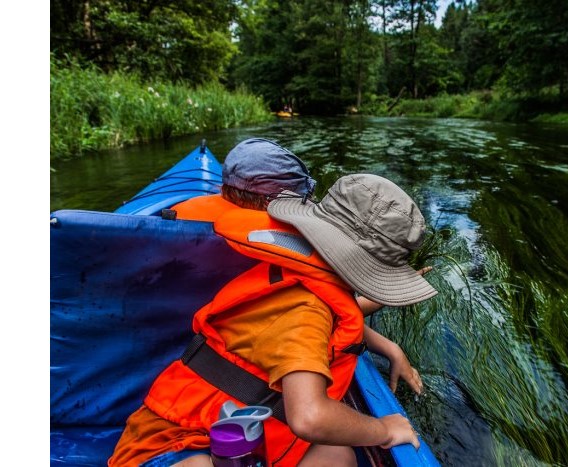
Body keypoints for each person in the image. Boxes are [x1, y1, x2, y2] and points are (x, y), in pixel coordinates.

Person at [108, 139, 437, 466]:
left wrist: (388, 347)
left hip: (240, 430)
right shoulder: (306, 310)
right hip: (176, 441)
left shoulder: (300, 277)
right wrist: (383, 429)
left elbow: (326, 324)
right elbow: (309, 416)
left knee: (337, 456)